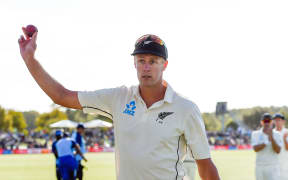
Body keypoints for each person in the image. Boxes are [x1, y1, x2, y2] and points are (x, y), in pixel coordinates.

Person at [18, 29, 220, 180]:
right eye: (141, 60)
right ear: (134, 64)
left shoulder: (185, 108)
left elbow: (205, 165)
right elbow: (61, 96)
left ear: (165, 65)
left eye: (153, 61)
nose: (146, 67)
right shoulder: (119, 98)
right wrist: (30, 60)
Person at [251, 113, 282, 180]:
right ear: (262, 122)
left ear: (272, 122)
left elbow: (278, 150)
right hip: (260, 166)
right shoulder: (255, 134)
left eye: (269, 121)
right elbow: (255, 149)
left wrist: (272, 138)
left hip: (273, 166)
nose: (267, 123)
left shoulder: (277, 134)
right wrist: (266, 142)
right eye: (265, 121)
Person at [273, 113, 288, 180]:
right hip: (273, 163)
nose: (277, 122)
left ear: (283, 121)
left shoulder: (286, 132)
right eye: (275, 120)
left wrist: (284, 139)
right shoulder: (271, 132)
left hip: (285, 163)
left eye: (279, 120)